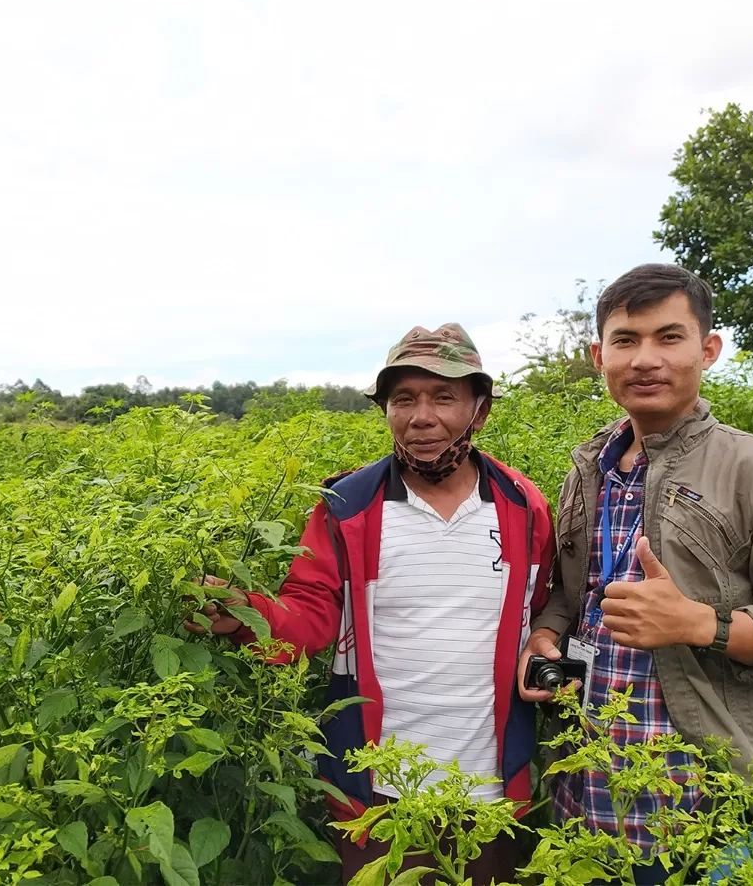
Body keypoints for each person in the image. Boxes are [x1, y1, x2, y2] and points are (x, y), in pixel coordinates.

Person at [186, 323, 556, 885]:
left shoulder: (521, 506)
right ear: (385, 410)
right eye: (403, 399)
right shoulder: (348, 506)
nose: (421, 417)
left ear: (479, 411)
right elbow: (311, 610)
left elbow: (544, 607)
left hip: (492, 781)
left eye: (444, 397)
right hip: (377, 784)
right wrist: (246, 615)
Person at [518, 264, 753, 883]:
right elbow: (572, 595)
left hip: (708, 807)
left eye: (669, 337)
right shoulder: (588, 470)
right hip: (583, 795)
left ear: (708, 349)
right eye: (626, 340)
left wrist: (701, 624)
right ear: (599, 356)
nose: (646, 359)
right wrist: (545, 635)